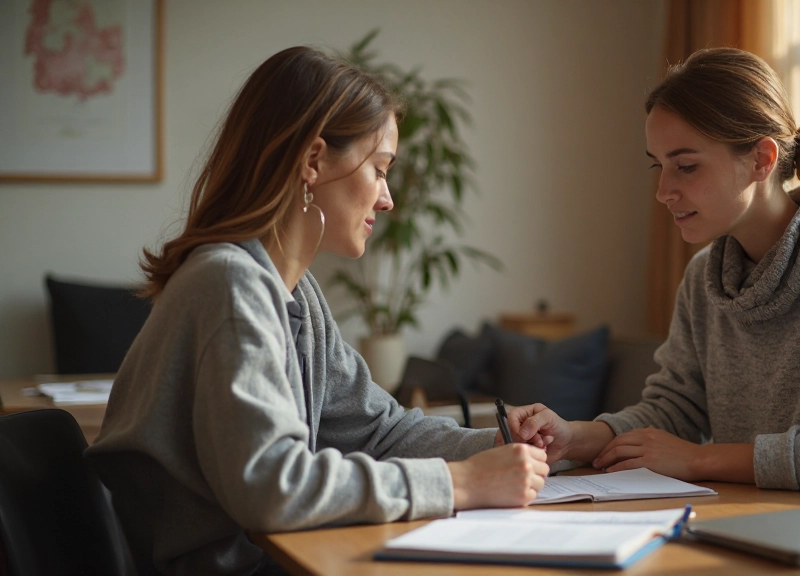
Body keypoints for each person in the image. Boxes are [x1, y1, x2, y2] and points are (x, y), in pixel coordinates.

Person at [85, 46, 548, 576]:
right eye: (379, 169)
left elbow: (378, 432)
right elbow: (272, 487)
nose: (388, 199)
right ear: (313, 161)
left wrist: (499, 444)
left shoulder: (295, 292)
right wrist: (461, 482)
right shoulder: (230, 285)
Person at [509, 47, 800, 504]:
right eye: (659, 166)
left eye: (686, 166)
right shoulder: (704, 278)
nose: (663, 192)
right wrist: (575, 437)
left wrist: (700, 460)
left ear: (761, 160)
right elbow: (675, 411)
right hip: (759, 522)